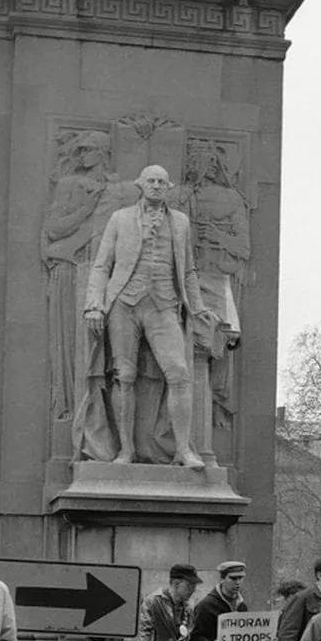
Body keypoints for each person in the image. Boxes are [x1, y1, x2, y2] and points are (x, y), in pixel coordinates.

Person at [82, 164, 207, 468]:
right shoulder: (120, 218)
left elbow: (188, 270)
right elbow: (101, 265)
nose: (156, 186)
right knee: (124, 377)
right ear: (140, 184)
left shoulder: (180, 223)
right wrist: (94, 305)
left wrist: (198, 307)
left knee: (178, 372)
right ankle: (126, 451)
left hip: (164, 305)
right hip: (124, 303)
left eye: (162, 182)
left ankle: (183, 450)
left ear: (169, 187)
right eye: (151, 181)